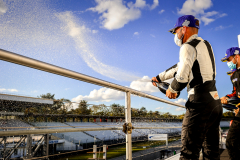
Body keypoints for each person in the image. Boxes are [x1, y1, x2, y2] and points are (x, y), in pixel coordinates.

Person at [152, 15, 222, 160]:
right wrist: (159, 77)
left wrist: (173, 89)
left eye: (175, 31)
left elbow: (182, 75)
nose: (175, 35)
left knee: (189, 153)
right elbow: (179, 67)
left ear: (183, 29)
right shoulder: (205, 44)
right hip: (214, 102)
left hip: (199, 104)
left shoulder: (187, 46)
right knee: (212, 152)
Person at [220, 47, 240, 160]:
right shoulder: (234, 75)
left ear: (237, 56)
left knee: (231, 141)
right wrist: (226, 97)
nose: (228, 62)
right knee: (232, 142)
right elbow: (235, 93)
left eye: (229, 59)